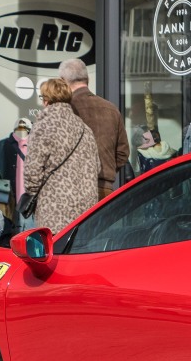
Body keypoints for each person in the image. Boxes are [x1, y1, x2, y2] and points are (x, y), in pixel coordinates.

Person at [24, 79, 99, 232]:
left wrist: (32, 194)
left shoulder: (42, 127)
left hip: (54, 210)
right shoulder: (85, 129)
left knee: (55, 253)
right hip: (85, 212)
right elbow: (96, 167)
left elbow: (33, 173)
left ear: (46, 100)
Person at [59, 58, 129, 198]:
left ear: (62, 81)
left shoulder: (64, 109)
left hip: (72, 191)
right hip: (104, 191)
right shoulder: (111, 109)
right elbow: (123, 153)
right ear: (87, 79)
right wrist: (106, 170)